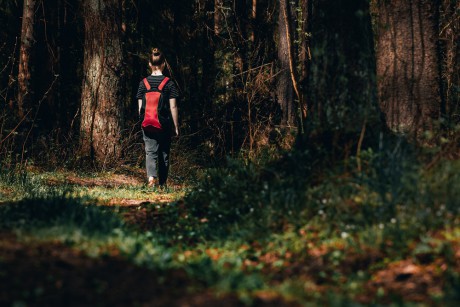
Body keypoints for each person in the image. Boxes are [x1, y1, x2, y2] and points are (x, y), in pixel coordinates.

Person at [136, 48, 179, 188]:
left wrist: (143, 121)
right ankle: (163, 183)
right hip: (164, 123)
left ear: (149, 64)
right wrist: (176, 126)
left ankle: (151, 179)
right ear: (164, 64)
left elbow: (140, 108)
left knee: (150, 151)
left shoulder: (143, 83)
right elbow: (173, 107)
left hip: (148, 123)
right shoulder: (169, 83)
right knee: (164, 153)